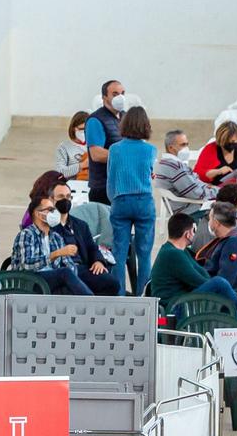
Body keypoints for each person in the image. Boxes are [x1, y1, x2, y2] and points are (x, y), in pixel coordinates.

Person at [107, 106, 159, 293]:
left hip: (121, 200)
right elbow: (149, 174)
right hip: (144, 200)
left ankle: (118, 294)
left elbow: (111, 179)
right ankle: (143, 294)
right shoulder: (151, 150)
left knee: (118, 254)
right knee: (144, 254)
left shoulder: (115, 149)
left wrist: (114, 200)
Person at [49, 178, 114, 294]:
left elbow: (92, 247)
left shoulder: (80, 225)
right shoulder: (47, 226)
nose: (65, 200)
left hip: (81, 268)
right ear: (51, 200)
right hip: (60, 271)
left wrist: (98, 261)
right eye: (60, 197)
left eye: (68, 197)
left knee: (111, 283)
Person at [12, 192, 86, 294]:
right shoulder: (27, 234)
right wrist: (55, 254)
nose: (55, 213)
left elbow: (70, 265)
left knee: (68, 288)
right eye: (50, 210)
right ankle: (94, 304)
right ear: (38, 214)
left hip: (50, 283)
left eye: (54, 210)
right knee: (65, 273)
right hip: (30, 282)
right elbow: (26, 265)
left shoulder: (56, 237)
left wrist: (72, 277)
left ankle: (91, 305)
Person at [156, 128, 224, 219]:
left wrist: (210, 188)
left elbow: (195, 185)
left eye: (187, 144)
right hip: (190, 210)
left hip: (187, 206)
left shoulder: (167, 163)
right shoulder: (175, 167)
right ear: (171, 148)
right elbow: (196, 193)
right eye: (183, 145)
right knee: (229, 209)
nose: (186, 148)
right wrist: (220, 191)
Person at [85, 79, 127, 207]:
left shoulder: (126, 117)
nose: (120, 97)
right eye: (115, 94)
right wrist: (127, 157)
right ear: (104, 97)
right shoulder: (95, 120)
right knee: (105, 227)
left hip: (124, 186)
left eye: (122, 93)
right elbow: (96, 154)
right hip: (103, 188)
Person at [194, 120, 237, 188]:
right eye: (226, 142)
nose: (230, 145)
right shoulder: (210, 149)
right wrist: (218, 171)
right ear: (220, 140)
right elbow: (197, 174)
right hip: (215, 190)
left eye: (233, 141)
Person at [56, 110, 90, 182]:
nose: (84, 132)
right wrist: (82, 165)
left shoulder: (94, 145)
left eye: (87, 129)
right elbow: (60, 172)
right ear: (73, 128)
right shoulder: (63, 147)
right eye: (81, 129)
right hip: (73, 187)